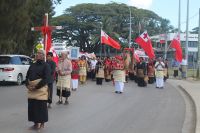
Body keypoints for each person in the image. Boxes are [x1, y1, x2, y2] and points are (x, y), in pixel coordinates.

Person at [26, 49, 51, 130]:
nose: (37, 55)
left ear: (43, 56)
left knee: (41, 107)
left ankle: (42, 124)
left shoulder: (46, 66)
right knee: (32, 107)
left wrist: (36, 87)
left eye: (40, 53)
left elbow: (46, 79)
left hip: (41, 89)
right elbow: (27, 76)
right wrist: (27, 85)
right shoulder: (32, 65)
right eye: (37, 53)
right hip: (31, 89)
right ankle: (35, 123)